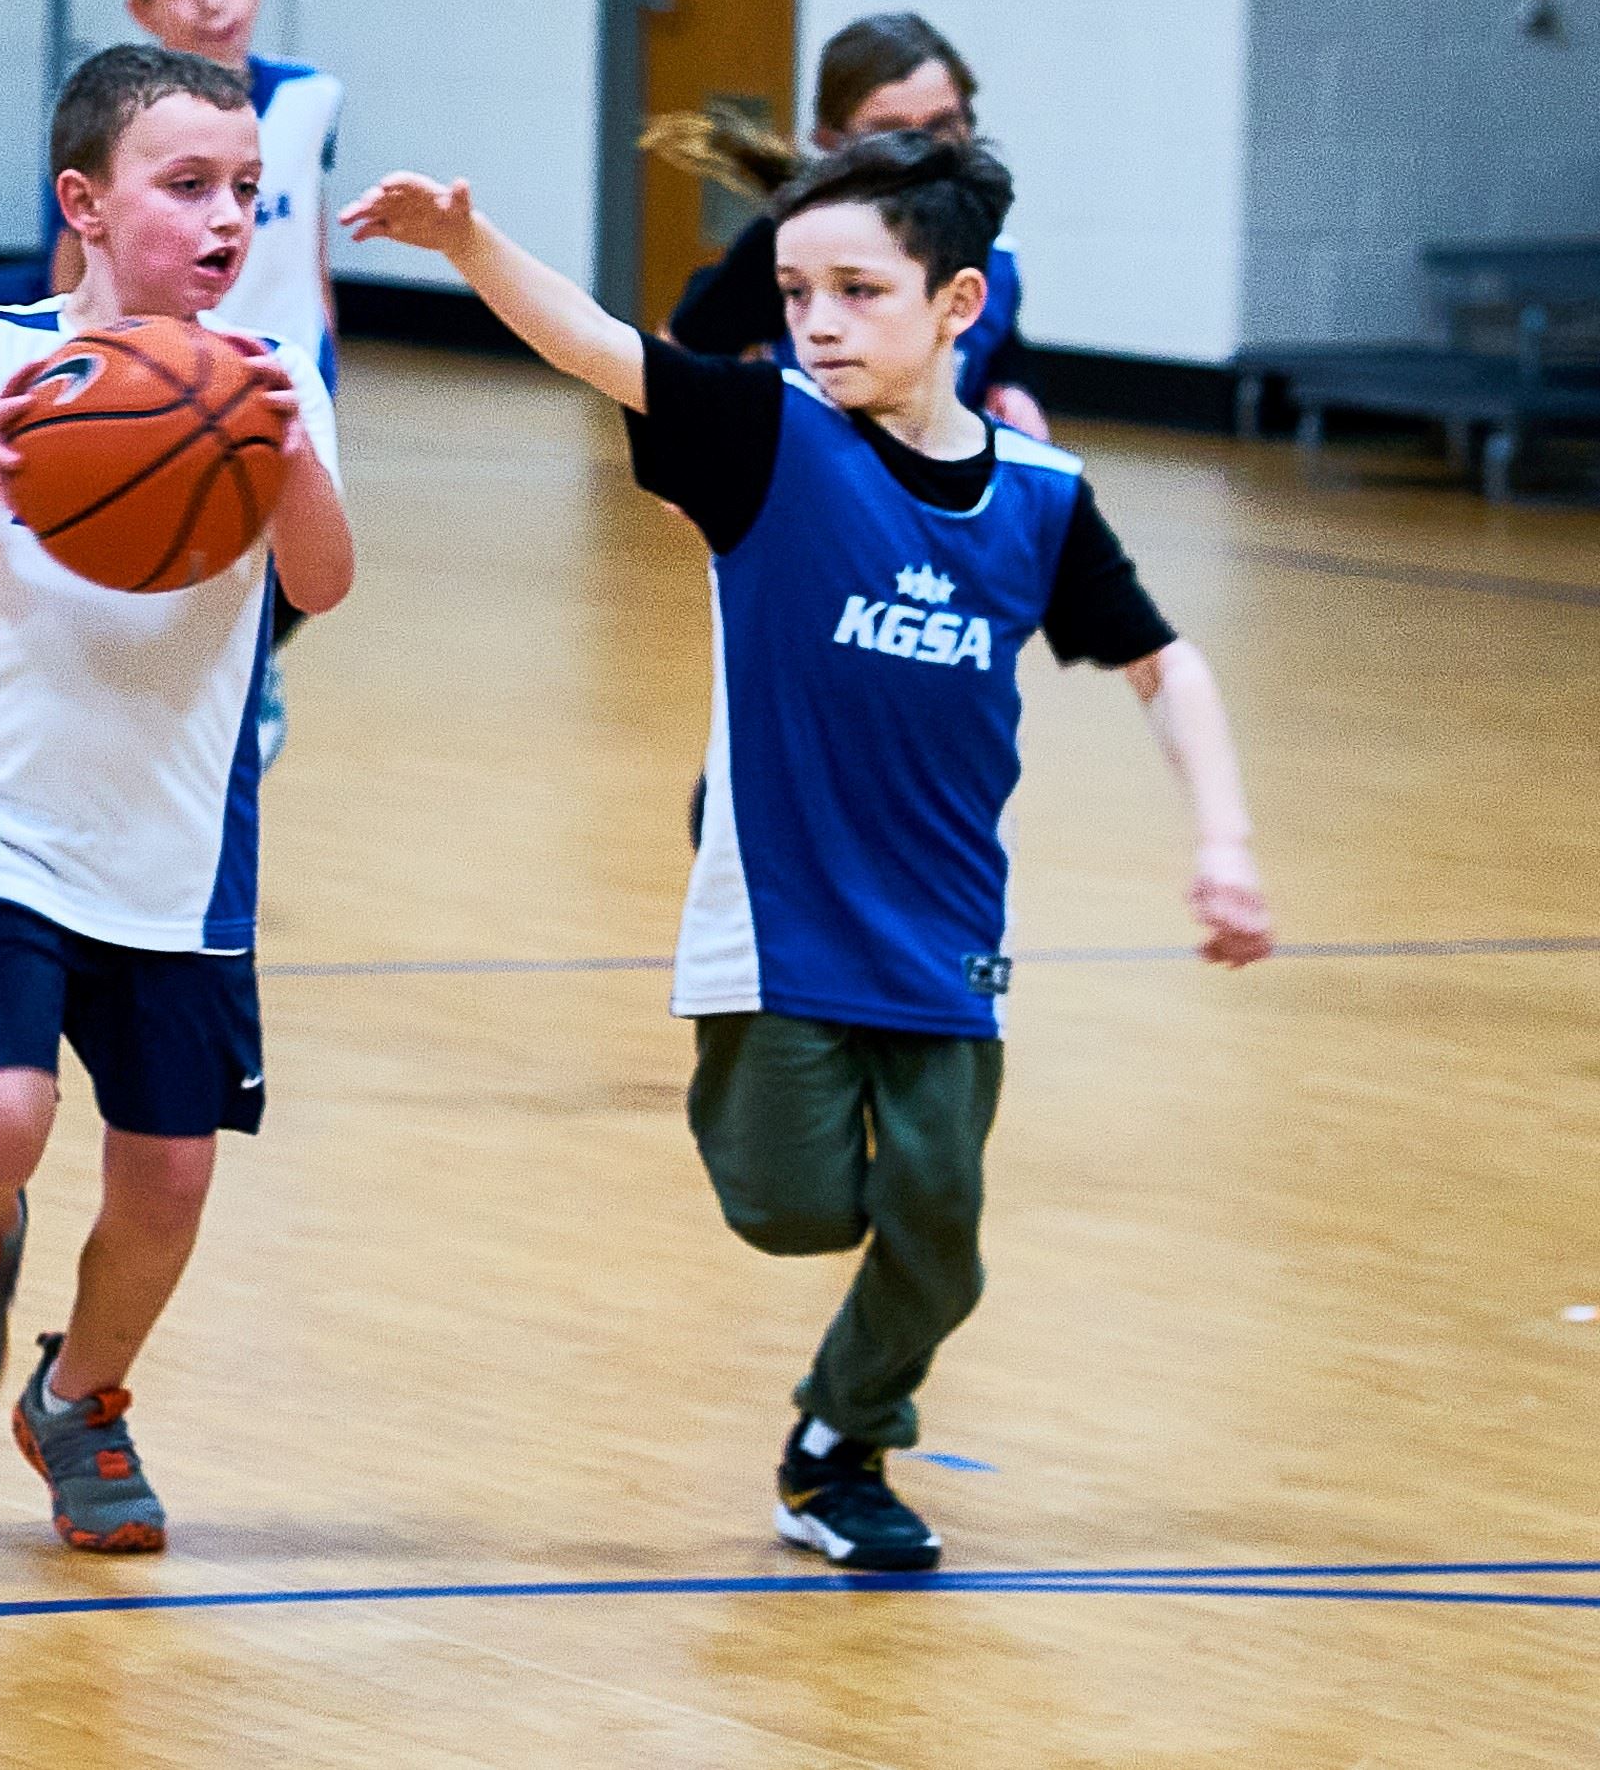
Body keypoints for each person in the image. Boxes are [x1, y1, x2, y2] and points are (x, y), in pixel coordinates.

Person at [340, 134, 1273, 1571]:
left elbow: (1167, 665)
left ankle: (840, 1442)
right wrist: (469, 245)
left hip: (945, 924)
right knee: (791, 1208)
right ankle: (819, 1301)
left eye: (858, 289)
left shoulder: (1040, 495)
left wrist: (1224, 841)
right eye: (796, 291)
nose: (818, 320)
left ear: (959, 304)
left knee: (940, 1226)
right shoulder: (767, 434)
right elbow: (598, 346)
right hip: (776, 915)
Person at [0, 43, 354, 1553]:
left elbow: (323, 581)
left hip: (180, 863)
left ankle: (81, 1397)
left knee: (167, 1175)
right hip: (12, 829)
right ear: (85, 201)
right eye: (190, 186)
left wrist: (283, 454)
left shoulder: (271, 380)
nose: (228, 218)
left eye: (247, 192)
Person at [61, 0, 346, 768]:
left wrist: (331, 354)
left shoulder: (308, 98)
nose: (212, 3)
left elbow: (311, 242)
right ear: (140, 9)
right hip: (154, 379)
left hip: (273, 376)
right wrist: (70, 367)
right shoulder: (111, 127)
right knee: (165, 546)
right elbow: (74, 265)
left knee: (291, 566)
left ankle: (250, 670)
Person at [654, 10, 1048, 441]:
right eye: (890, 135)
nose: (923, 156)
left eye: (942, 128)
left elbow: (996, 337)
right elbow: (677, 358)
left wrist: (1014, 386)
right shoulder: (789, 246)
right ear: (831, 143)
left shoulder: (983, 234)